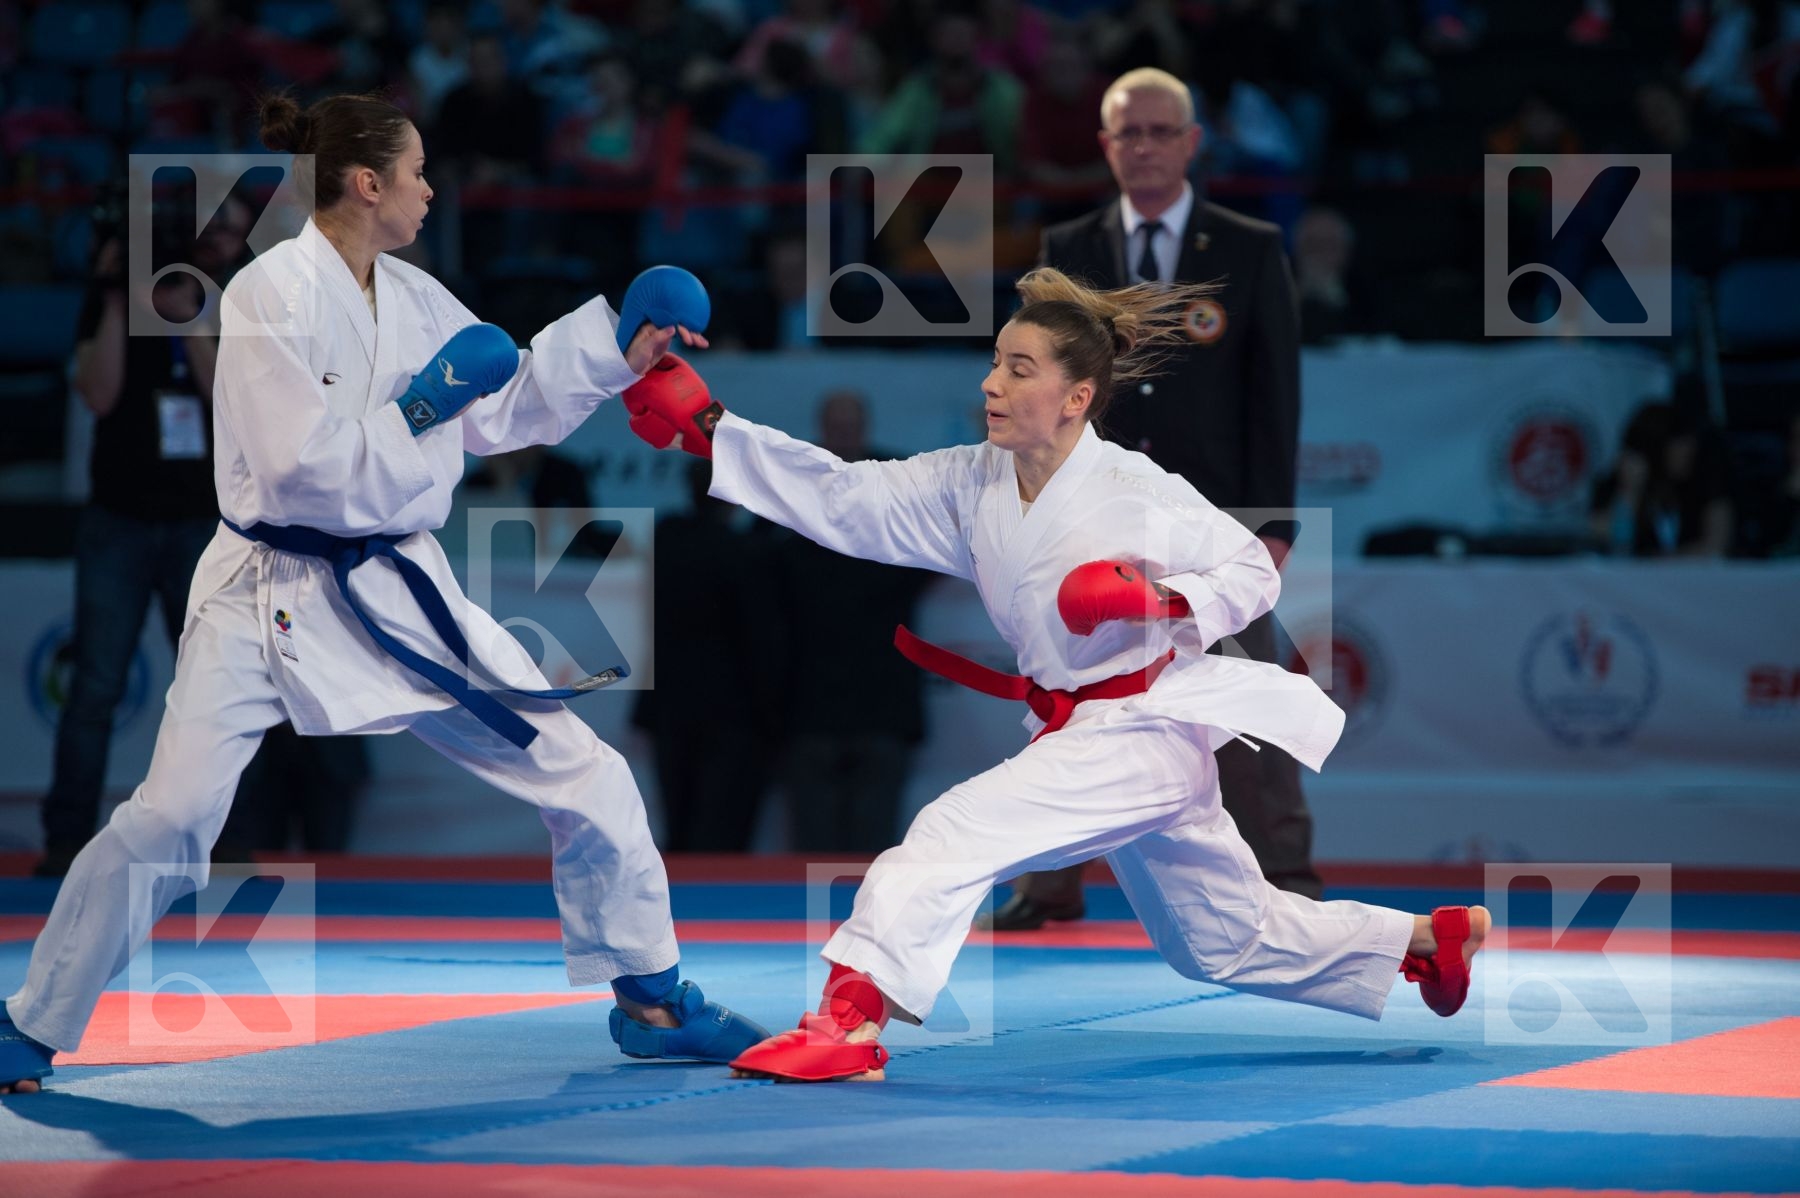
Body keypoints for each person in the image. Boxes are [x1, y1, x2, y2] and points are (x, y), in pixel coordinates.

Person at [0, 91, 767, 1095]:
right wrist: (417, 405)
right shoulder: (264, 295)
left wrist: (621, 345)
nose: (430, 188)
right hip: (263, 589)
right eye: (415, 173)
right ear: (368, 184)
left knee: (584, 769)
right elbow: (289, 471)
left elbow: (504, 401)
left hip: (398, 585)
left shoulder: (410, 295)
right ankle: (30, 1024)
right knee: (171, 819)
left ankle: (654, 997)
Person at [616, 267, 1490, 1083]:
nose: (991, 384)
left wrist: (1159, 601)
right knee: (1221, 940)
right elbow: (847, 498)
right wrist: (716, 433)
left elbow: (1253, 568)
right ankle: (1422, 938)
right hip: (1079, 727)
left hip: (1143, 725)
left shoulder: (1135, 489)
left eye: (1018, 369)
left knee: (953, 833)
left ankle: (850, 1020)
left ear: (1076, 398)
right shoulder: (971, 481)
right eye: (995, 362)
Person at [993, 66, 1320, 931]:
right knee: (1063, 696)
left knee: (1247, 686)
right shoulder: (1067, 247)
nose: (1142, 147)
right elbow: (1037, 381)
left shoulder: (1246, 247)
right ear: (1103, 147)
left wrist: (1271, 525)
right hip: (1087, 509)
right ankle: (1052, 883)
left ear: (1191, 143)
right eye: (1126, 134)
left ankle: (1286, 871)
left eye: (1158, 131)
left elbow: (1273, 393)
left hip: (1211, 524)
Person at [35, 194, 250, 879]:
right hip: (119, 521)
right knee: (95, 685)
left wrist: (189, 316)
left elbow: (234, 406)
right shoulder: (112, 300)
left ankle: (221, 837)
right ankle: (66, 841)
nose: (218, 243)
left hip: (199, 523)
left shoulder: (230, 300)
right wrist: (124, 299)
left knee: (215, 684)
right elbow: (97, 395)